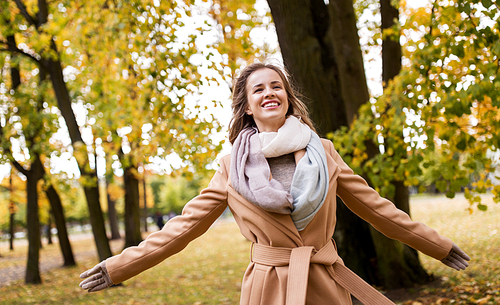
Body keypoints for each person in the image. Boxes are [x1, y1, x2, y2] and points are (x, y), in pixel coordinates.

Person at [79, 62, 470, 305]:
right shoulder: (231, 166)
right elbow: (182, 229)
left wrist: (436, 246)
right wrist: (119, 267)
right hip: (269, 289)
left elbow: (377, 207)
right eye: (259, 89)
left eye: (276, 86)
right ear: (247, 106)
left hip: (325, 281)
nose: (270, 93)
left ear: (288, 96)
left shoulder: (324, 151)